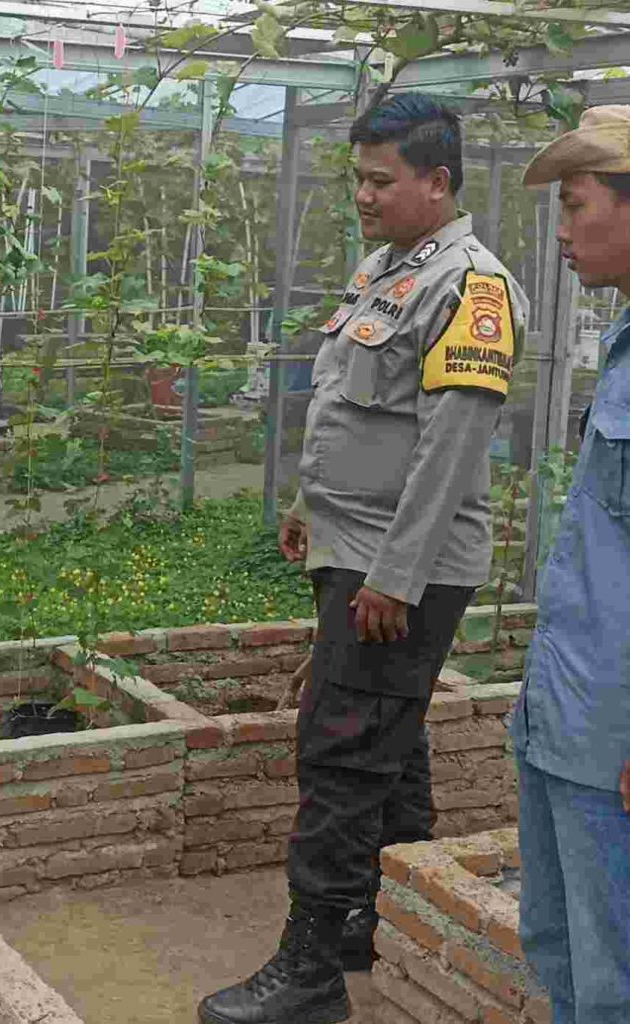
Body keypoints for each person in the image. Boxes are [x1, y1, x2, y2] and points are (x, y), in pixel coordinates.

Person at [199, 94, 529, 1024]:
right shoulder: (387, 271)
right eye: (358, 179)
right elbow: (353, 403)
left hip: (399, 563)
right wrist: (314, 507)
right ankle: (376, 913)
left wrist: (395, 574)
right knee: (390, 738)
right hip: (359, 549)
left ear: (438, 181)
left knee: (341, 751)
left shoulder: (472, 287)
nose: (364, 197)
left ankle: (308, 975)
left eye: (381, 182)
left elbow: (450, 448)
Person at [510, 105, 630, 1024]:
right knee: (560, 947)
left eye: (576, 203)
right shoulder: (622, 343)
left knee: (614, 974)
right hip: (568, 708)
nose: (559, 230)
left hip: (614, 734)